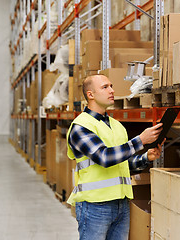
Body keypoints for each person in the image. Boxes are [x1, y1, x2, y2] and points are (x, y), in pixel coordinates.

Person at [66, 74, 164, 240]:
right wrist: (140, 141)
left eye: (111, 86)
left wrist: (146, 157)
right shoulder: (81, 127)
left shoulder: (116, 126)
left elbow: (122, 164)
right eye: (105, 87)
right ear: (91, 95)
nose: (111, 90)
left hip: (121, 204)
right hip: (95, 206)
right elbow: (104, 158)